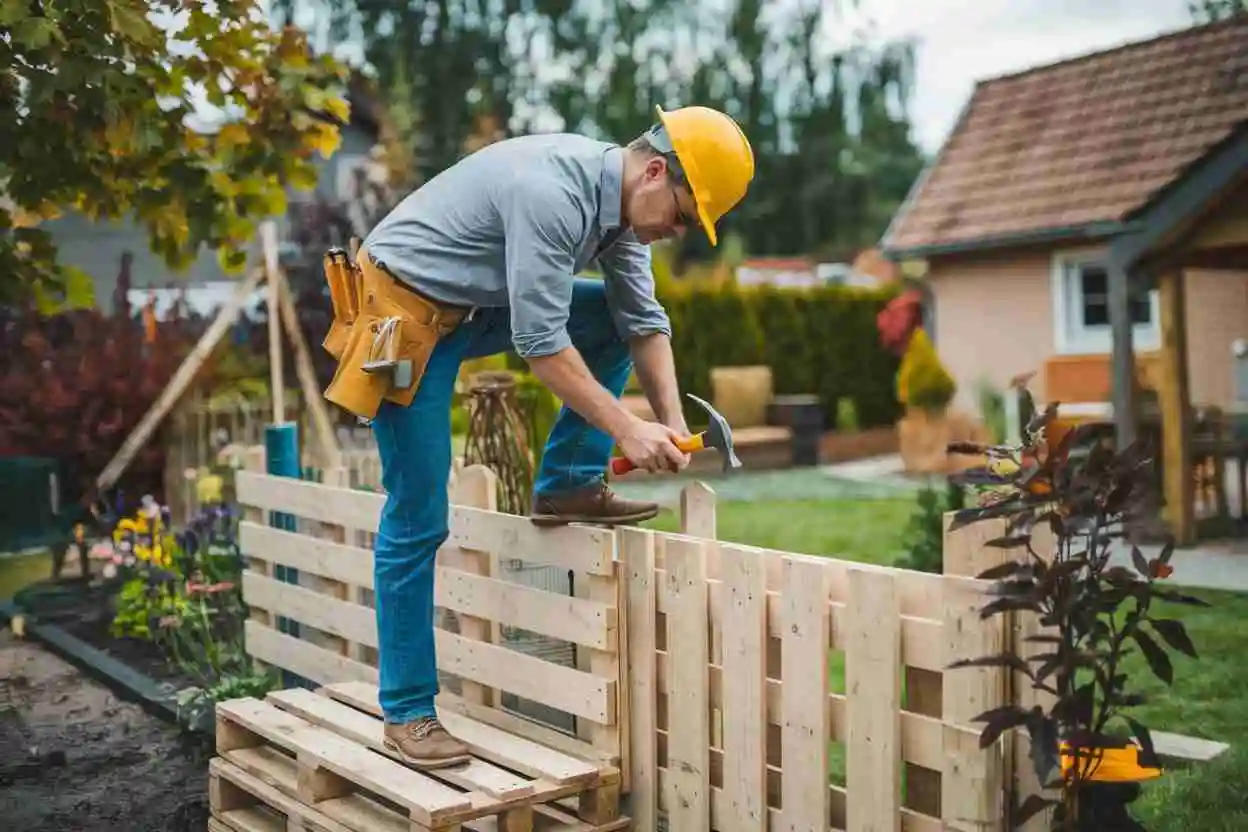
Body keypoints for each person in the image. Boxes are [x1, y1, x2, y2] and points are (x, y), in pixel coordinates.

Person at [321, 104, 755, 769]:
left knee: (608, 318)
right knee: (418, 515)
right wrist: (624, 427)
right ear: (656, 171)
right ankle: (407, 712)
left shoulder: (621, 217)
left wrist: (666, 418)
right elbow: (540, 343)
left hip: (469, 308)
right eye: (684, 215)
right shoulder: (552, 192)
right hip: (402, 317)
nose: (678, 231)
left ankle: (568, 487)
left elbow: (641, 317)